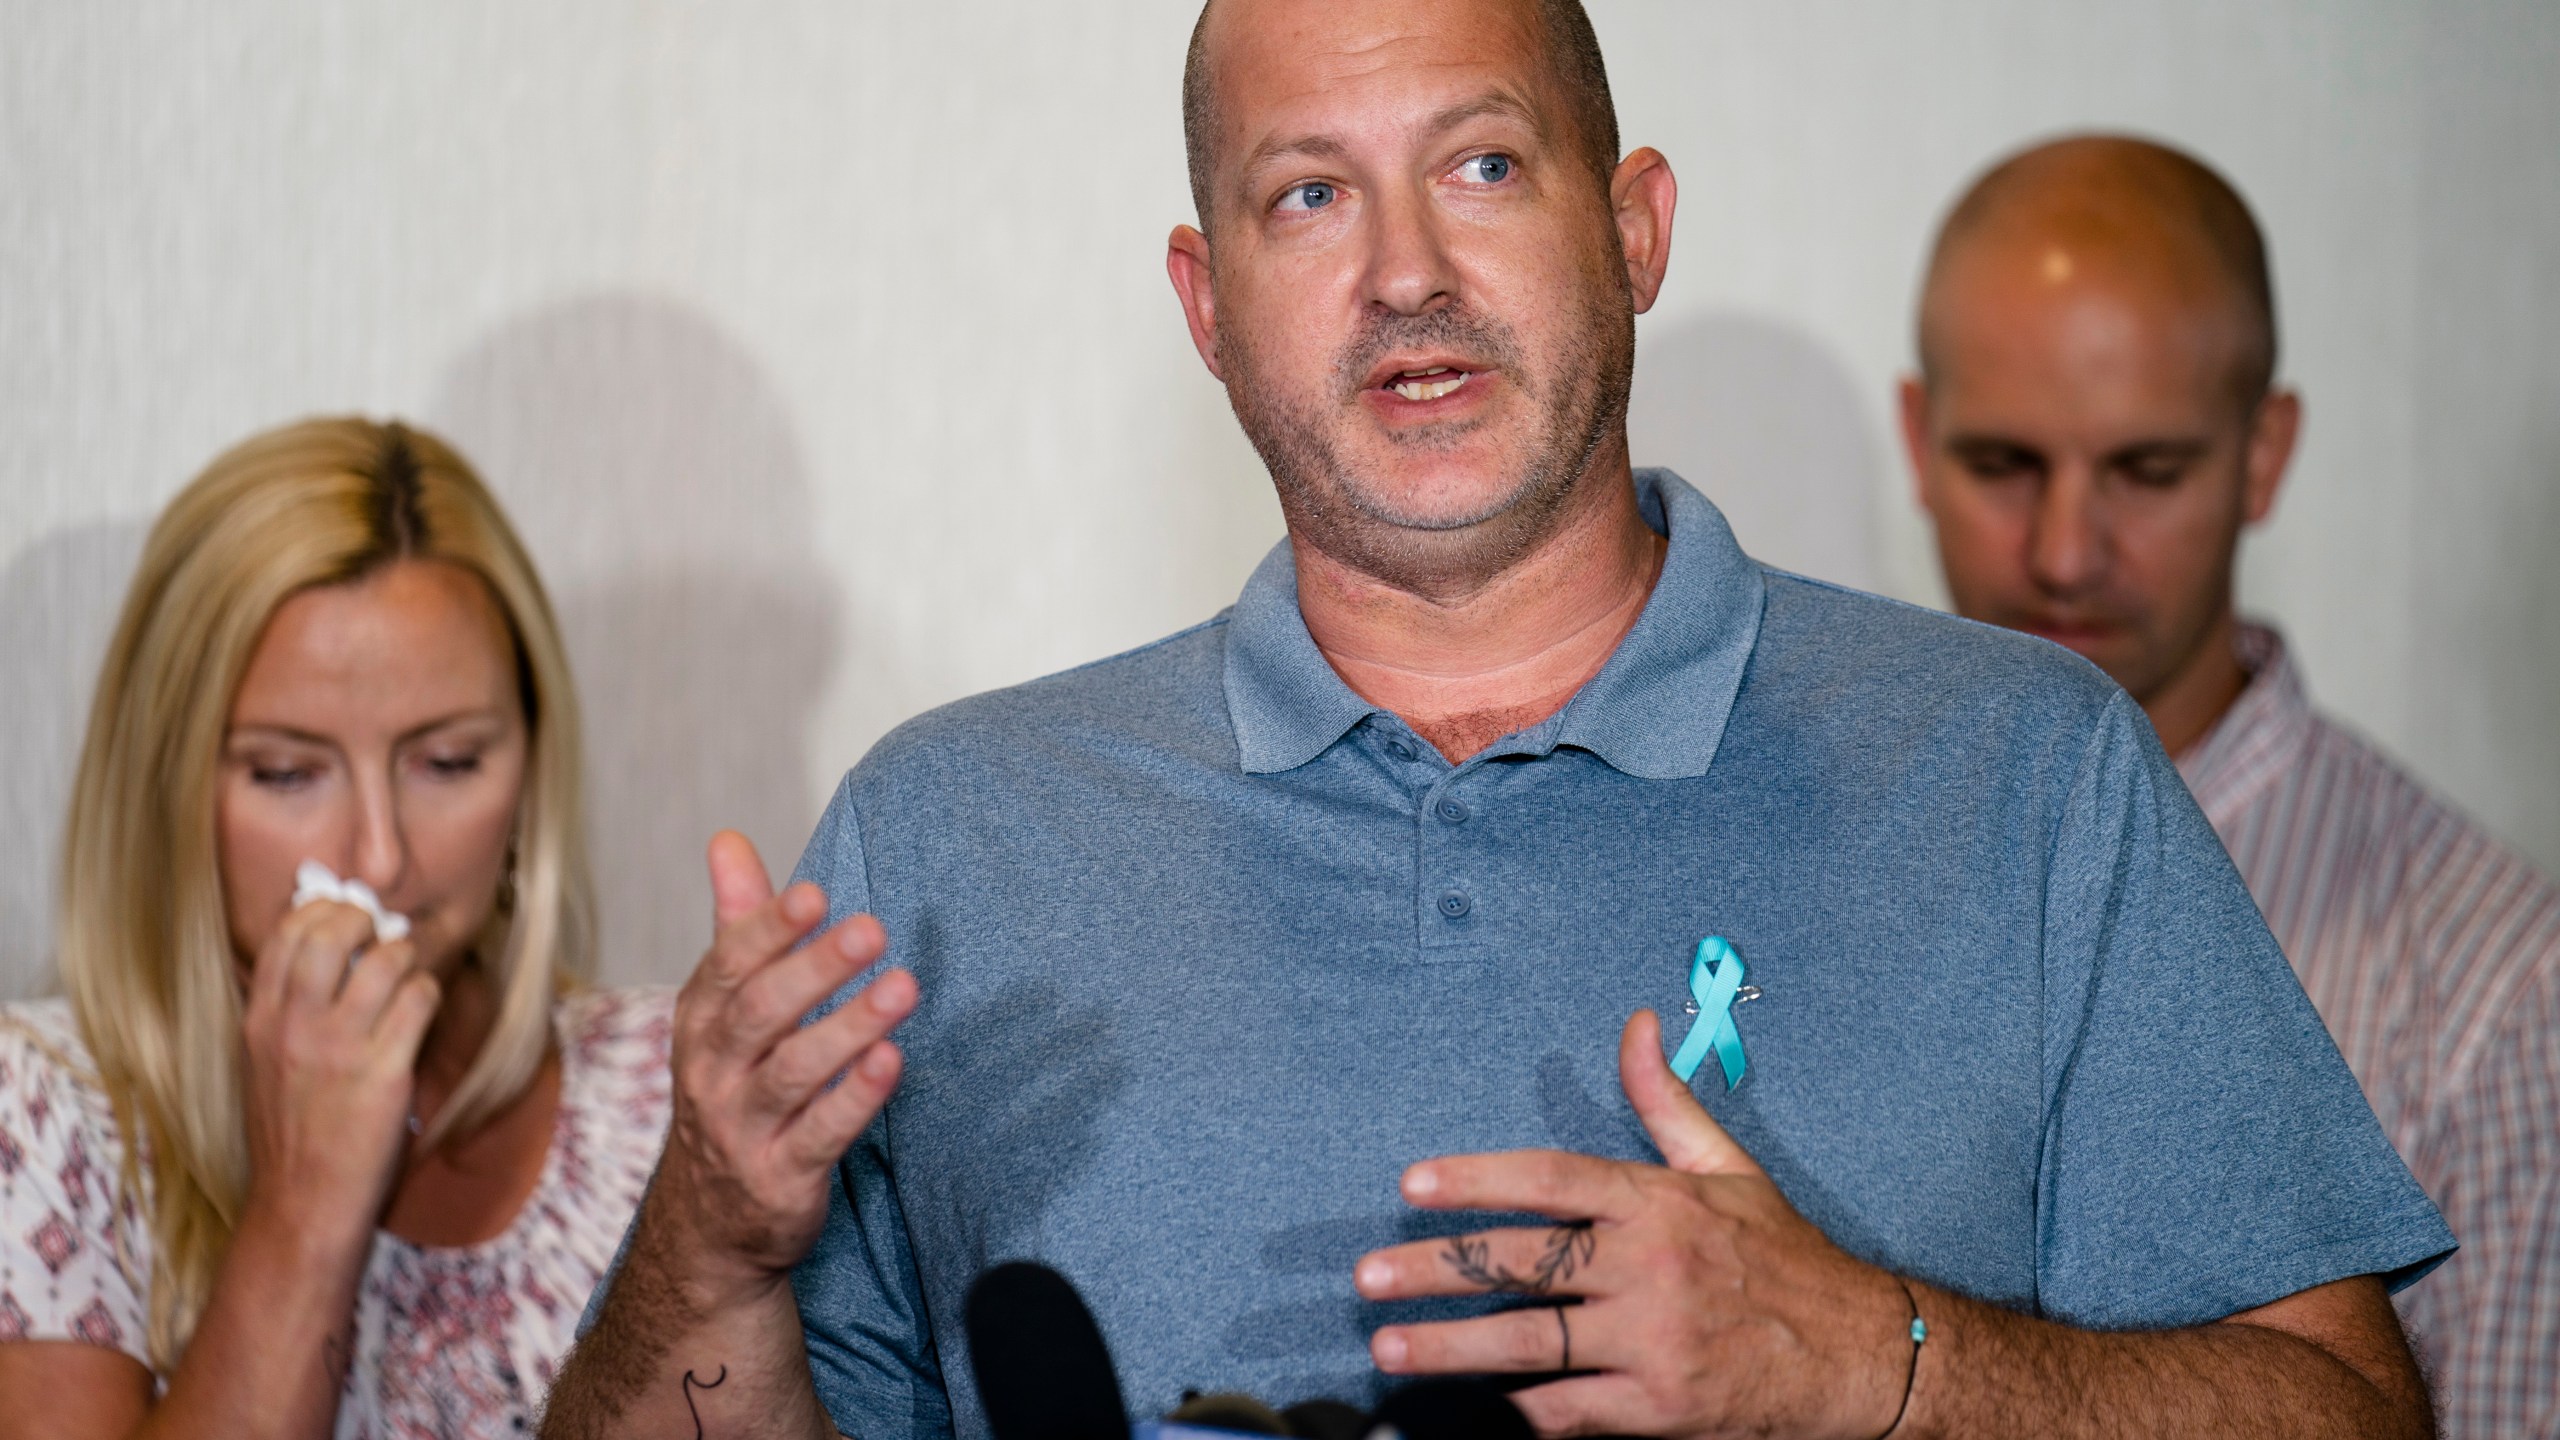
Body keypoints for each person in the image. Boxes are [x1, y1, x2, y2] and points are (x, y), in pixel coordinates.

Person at [544, 4, 2452, 1437]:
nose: (1404, 276)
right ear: (1208, 307)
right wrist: (706, 1243)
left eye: (1479, 167)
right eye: (1309, 196)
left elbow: (2356, 1413)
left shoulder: (2031, 768)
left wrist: (1876, 1363)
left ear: (1635, 230)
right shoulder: (941, 839)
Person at [1903, 134, 2560, 1440]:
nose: (2065, 552)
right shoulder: (1825, 835)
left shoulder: (2498, 988)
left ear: (2265, 453)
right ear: (1917, 442)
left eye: (2148, 472)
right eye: (2003, 466)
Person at [0, 417, 674, 1437]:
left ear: (532, 760)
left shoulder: (665, 1089)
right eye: (286, 772)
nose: (379, 856)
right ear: (169, 782)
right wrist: (305, 1208)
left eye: (447, 762)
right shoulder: (45, 1120)